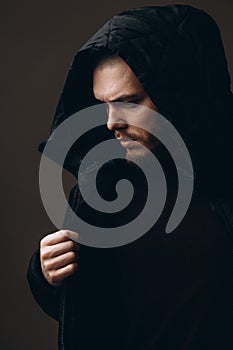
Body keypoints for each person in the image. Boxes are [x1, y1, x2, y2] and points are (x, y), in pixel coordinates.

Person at [27, 5, 233, 350]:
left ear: (180, 94)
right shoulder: (100, 193)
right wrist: (47, 274)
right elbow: (88, 313)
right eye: (103, 104)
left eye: (128, 102)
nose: (111, 123)